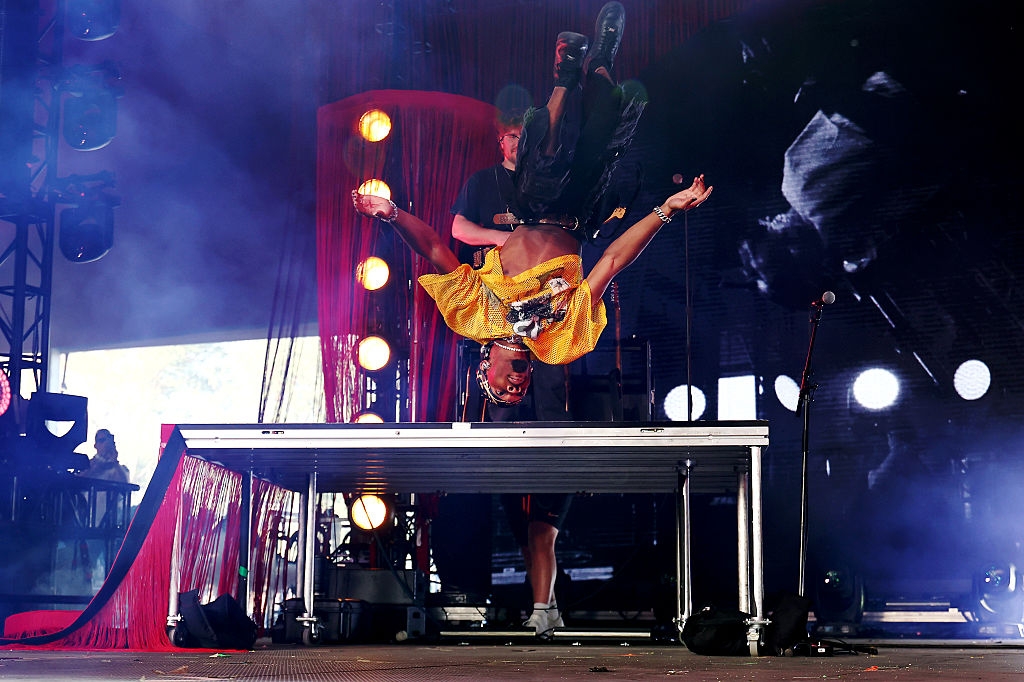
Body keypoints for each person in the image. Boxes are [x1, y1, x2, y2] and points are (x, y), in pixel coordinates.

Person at [351, 3, 713, 406]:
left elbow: (436, 248)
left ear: (484, 366)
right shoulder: (559, 341)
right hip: (582, 214)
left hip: (534, 206)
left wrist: (393, 214)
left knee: (545, 158)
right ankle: (604, 56)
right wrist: (665, 211)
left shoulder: (475, 317)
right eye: (518, 392)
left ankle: (565, 74)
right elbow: (610, 262)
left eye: (502, 389)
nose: (516, 388)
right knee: (608, 122)